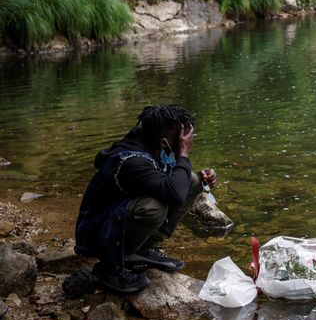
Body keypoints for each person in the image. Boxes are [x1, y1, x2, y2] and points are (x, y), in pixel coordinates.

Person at [74, 105, 217, 293]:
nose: (189, 141)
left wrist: (200, 178)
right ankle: (109, 270)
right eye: (184, 138)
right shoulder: (133, 161)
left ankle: (142, 248)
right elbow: (174, 194)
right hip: (95, 237)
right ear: (165, 143)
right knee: (153, 207)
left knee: (192, 180)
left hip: (113, 222)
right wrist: (183, 153)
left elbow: (169, 180)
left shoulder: (147, 140)